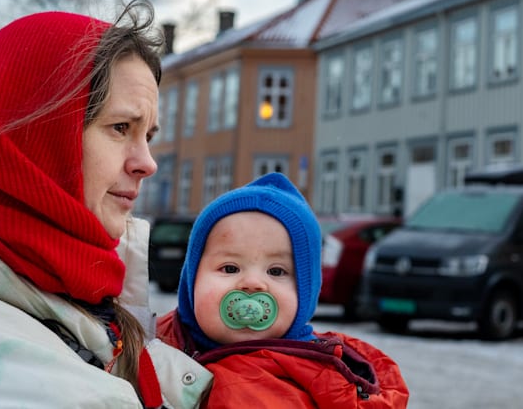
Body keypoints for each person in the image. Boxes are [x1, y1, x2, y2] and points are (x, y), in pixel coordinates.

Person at [0, 2, 212, 408]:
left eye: (148, 136)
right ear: (35, 137)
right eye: (121, 128)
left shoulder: (52, 293)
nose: (147, 163)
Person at [156, 172, 409, 408]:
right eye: (230, 268)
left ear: (305, 293)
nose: (253, 283)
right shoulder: (152, 341)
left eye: (276, 271)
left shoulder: (307, 380)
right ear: (192, 280)